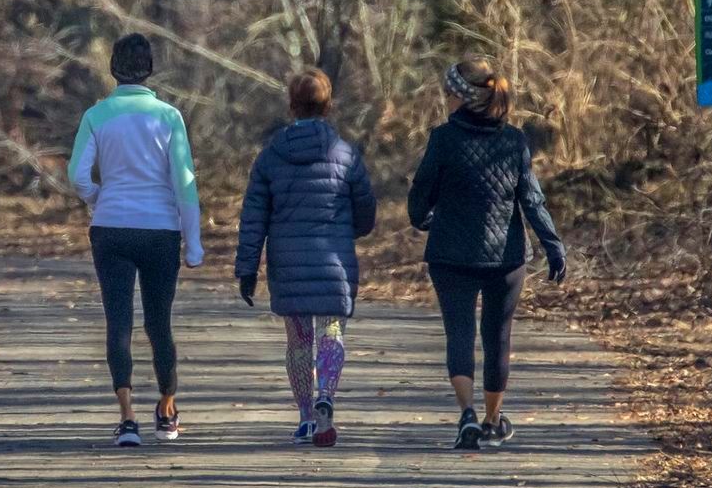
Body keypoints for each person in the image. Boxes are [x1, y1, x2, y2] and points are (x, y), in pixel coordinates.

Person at [407, 58, 566, 450]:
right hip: (506, 258)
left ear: (461, 98)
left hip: (450, 255)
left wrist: (425, 218)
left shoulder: (443, 139)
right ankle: (493, 420)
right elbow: (532, 199)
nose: (443, 100)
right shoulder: (514, 141)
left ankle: (466, 414)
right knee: (498, 337)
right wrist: (553, 245)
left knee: (458, 333)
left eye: (447, 93)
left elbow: (418, 198)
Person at [69, 34, 204, 447]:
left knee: (119, 322)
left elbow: (77, 175)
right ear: (150, 69)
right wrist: (193, 242)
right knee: (158, 323)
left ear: (112, 68)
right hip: (160, 230)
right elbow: (185, 183)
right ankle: (167, 408)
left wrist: (99, 196)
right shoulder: (168, 116)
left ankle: (127, 418)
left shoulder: (97, 115)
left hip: (111, 228)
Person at [234, 69, 377, 447]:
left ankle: (303, 418)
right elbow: (366, 211)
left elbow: (253, 218)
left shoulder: (270, 157)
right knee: (331, 331)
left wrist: (247, 268)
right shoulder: (346, 154)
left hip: (288, 262)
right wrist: (349, 232)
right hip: (334, 263)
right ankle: (325, 397)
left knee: (298, 341)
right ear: (328, 106)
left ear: (291, 106)